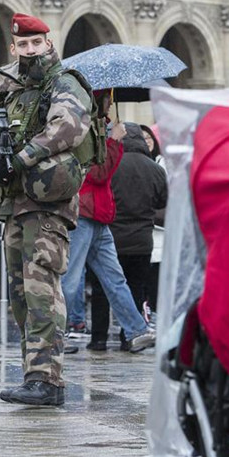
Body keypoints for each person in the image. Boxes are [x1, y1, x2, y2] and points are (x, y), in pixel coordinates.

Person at [0, 12, 95, 406]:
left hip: (46, 204)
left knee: (41, 291)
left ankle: (48, 380)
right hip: (15, 203)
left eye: (37, 43)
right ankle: (35, 374)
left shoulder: (64, 83)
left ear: (48, 43)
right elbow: (2, 134)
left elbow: (66, 128)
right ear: (13, 48)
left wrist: (21, 157)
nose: (30, 50)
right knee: (20, 295)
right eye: (23, 45)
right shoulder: (13, 90)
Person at [60, 108, 157, 353]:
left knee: (115, 278)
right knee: (70, 280)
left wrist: (111, 140)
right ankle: (53, 333)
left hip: (98, 215)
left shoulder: (95, 131)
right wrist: (113, 140)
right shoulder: (82, 133)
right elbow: (99, 174)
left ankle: (136, 330)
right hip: (84, 214)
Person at [89, 122, 167, 348]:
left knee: (102, 288)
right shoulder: (155, 169)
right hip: (142, 239)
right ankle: (129, 338)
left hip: (110, 235)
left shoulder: (110, 165)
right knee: (135, 287)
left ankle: (98, 338)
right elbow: (164, 201)